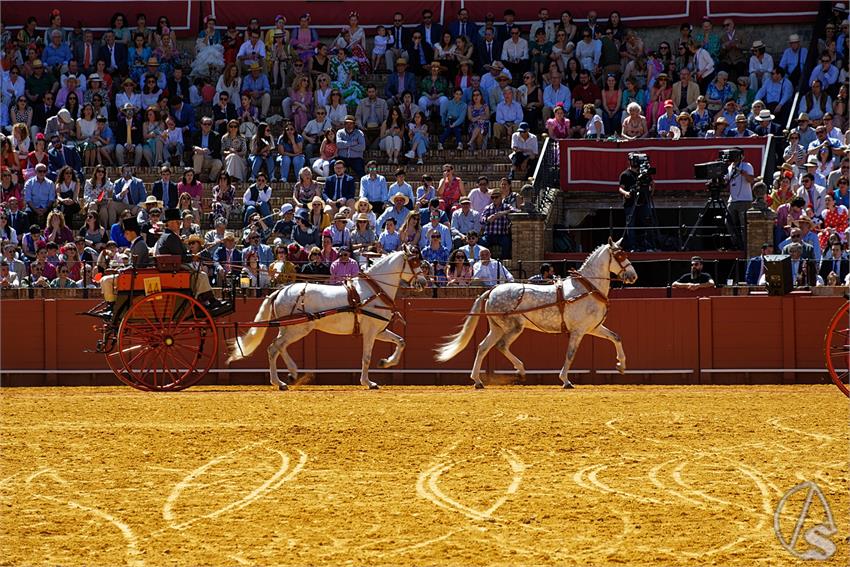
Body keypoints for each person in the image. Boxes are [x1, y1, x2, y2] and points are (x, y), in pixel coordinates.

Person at [96, 217, 150, 316]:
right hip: (132, 275)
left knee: (106, 280)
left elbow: (136, 266)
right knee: (104, 280)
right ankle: (111, 304)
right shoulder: (137, 244)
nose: (125, 236)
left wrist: (119, 271)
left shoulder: (140, 245)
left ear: (132, 232)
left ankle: (112, 306)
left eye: (126, 233)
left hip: (135, 277)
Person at [618, 154, 654, 252]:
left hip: (643, 202)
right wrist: (626, 194)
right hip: (630, 203)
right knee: (631, 225)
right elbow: (621, 188)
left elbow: (652, 184)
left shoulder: (643, 173)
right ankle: (632, 246)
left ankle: (647, 245)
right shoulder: (625, 174)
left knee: (646, 223)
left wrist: (650, 193)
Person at [725, 148, 755, 247]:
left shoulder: (747, 166)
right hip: (732, 200)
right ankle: (735, 243)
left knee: (744, 224)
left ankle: (745, 245)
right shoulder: (729, 167)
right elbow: (727, 181)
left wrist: (744, 174)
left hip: (744, 199)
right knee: (728, 221)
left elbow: (751, 180)